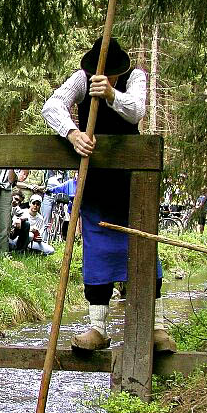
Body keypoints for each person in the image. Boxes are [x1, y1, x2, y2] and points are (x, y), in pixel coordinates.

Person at [42, 37, 174, 353]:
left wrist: (113, 95)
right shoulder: (82, 77)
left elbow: (137, 111)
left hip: (132, 181)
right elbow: (53, 105)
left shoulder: (135, 77)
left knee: (142, 246)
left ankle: (152, 327)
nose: (109, 77)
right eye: (107, 74)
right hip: (97, 180)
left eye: (113, 73)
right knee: (98, 251)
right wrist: (72, 133)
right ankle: (98, 329)